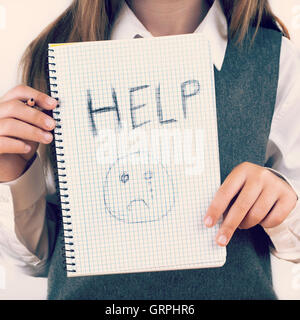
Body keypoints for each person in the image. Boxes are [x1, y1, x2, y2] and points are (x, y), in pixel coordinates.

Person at [0, 0, 299, 299]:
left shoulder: (277, 59)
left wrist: (282, 203)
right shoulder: (50, 58)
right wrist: (12, 170)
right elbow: (37, 258)